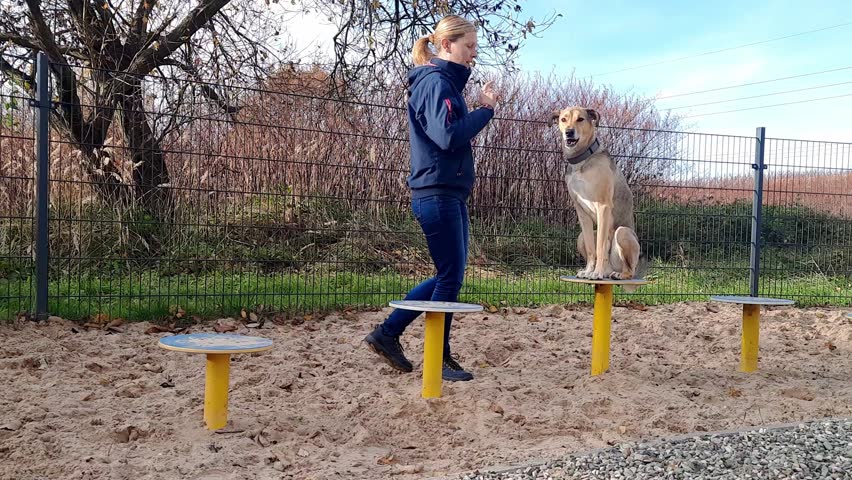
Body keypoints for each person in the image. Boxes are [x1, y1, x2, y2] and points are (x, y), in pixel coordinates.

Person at [364, 15, 500, 382]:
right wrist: (485, 110)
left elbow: (448, 131)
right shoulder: (435, 82)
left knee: (448, 275)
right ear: (447, 45)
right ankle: (433, 358)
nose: (474, 53)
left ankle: (389, 334)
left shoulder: (442, 84)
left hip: (446, 191)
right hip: (436, 192)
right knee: (450, 276)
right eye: (469, 46)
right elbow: (447, 136)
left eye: (474, 46)